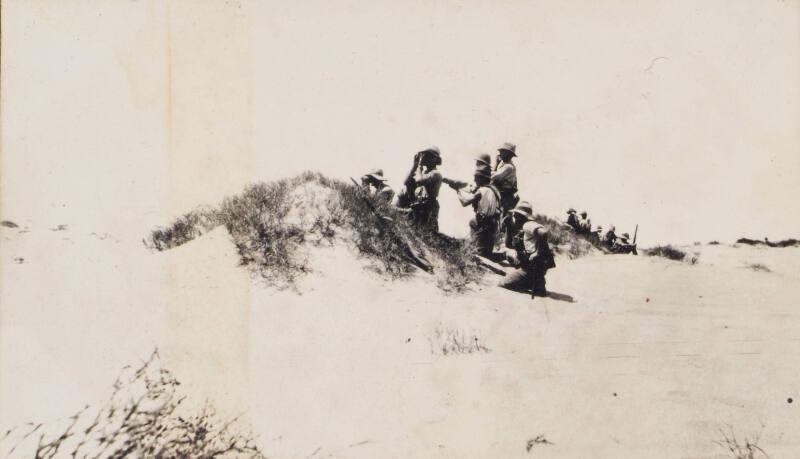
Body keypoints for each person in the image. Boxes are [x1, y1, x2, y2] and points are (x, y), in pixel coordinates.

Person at [499, 201, 556, 298]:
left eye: (515, 216)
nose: (514, 218)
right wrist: (508, 226)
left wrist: (537, 252)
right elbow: (509, 245)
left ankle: (532, 283)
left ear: (520, 216)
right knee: (511, 258)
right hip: (536, 268)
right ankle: (538, 284)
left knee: (502, 283)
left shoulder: (528, 225)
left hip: (532, 268)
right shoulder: (524, 229)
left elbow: (543, 233)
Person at [453, 165, 501, 258]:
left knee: (472, 222)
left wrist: (457, 191)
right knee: (485, 252)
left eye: (476, 178)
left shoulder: (481, 191)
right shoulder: (495, 191)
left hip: (482, 225)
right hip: (492, 227)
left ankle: (474, 245)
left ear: (482, 178)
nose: (475, 180)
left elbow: (464, 202)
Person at [400, 146, 443, 232]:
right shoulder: (423, 173)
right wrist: (414, 166)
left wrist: (419, 166)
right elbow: (406, 182)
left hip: (429, 210)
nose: (424, 158)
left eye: (427, 156)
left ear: (435, 159)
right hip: (419, 209)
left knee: (428, 234)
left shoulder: (436, 174)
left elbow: (419, 181)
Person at [491, 142, 519, 215]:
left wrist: (496, 164)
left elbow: (493, 177)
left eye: (502, 152)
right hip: (502, 194)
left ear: (508, 154)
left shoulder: (508, 167)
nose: (500, 154)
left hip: (505, 196)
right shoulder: (504, 165)